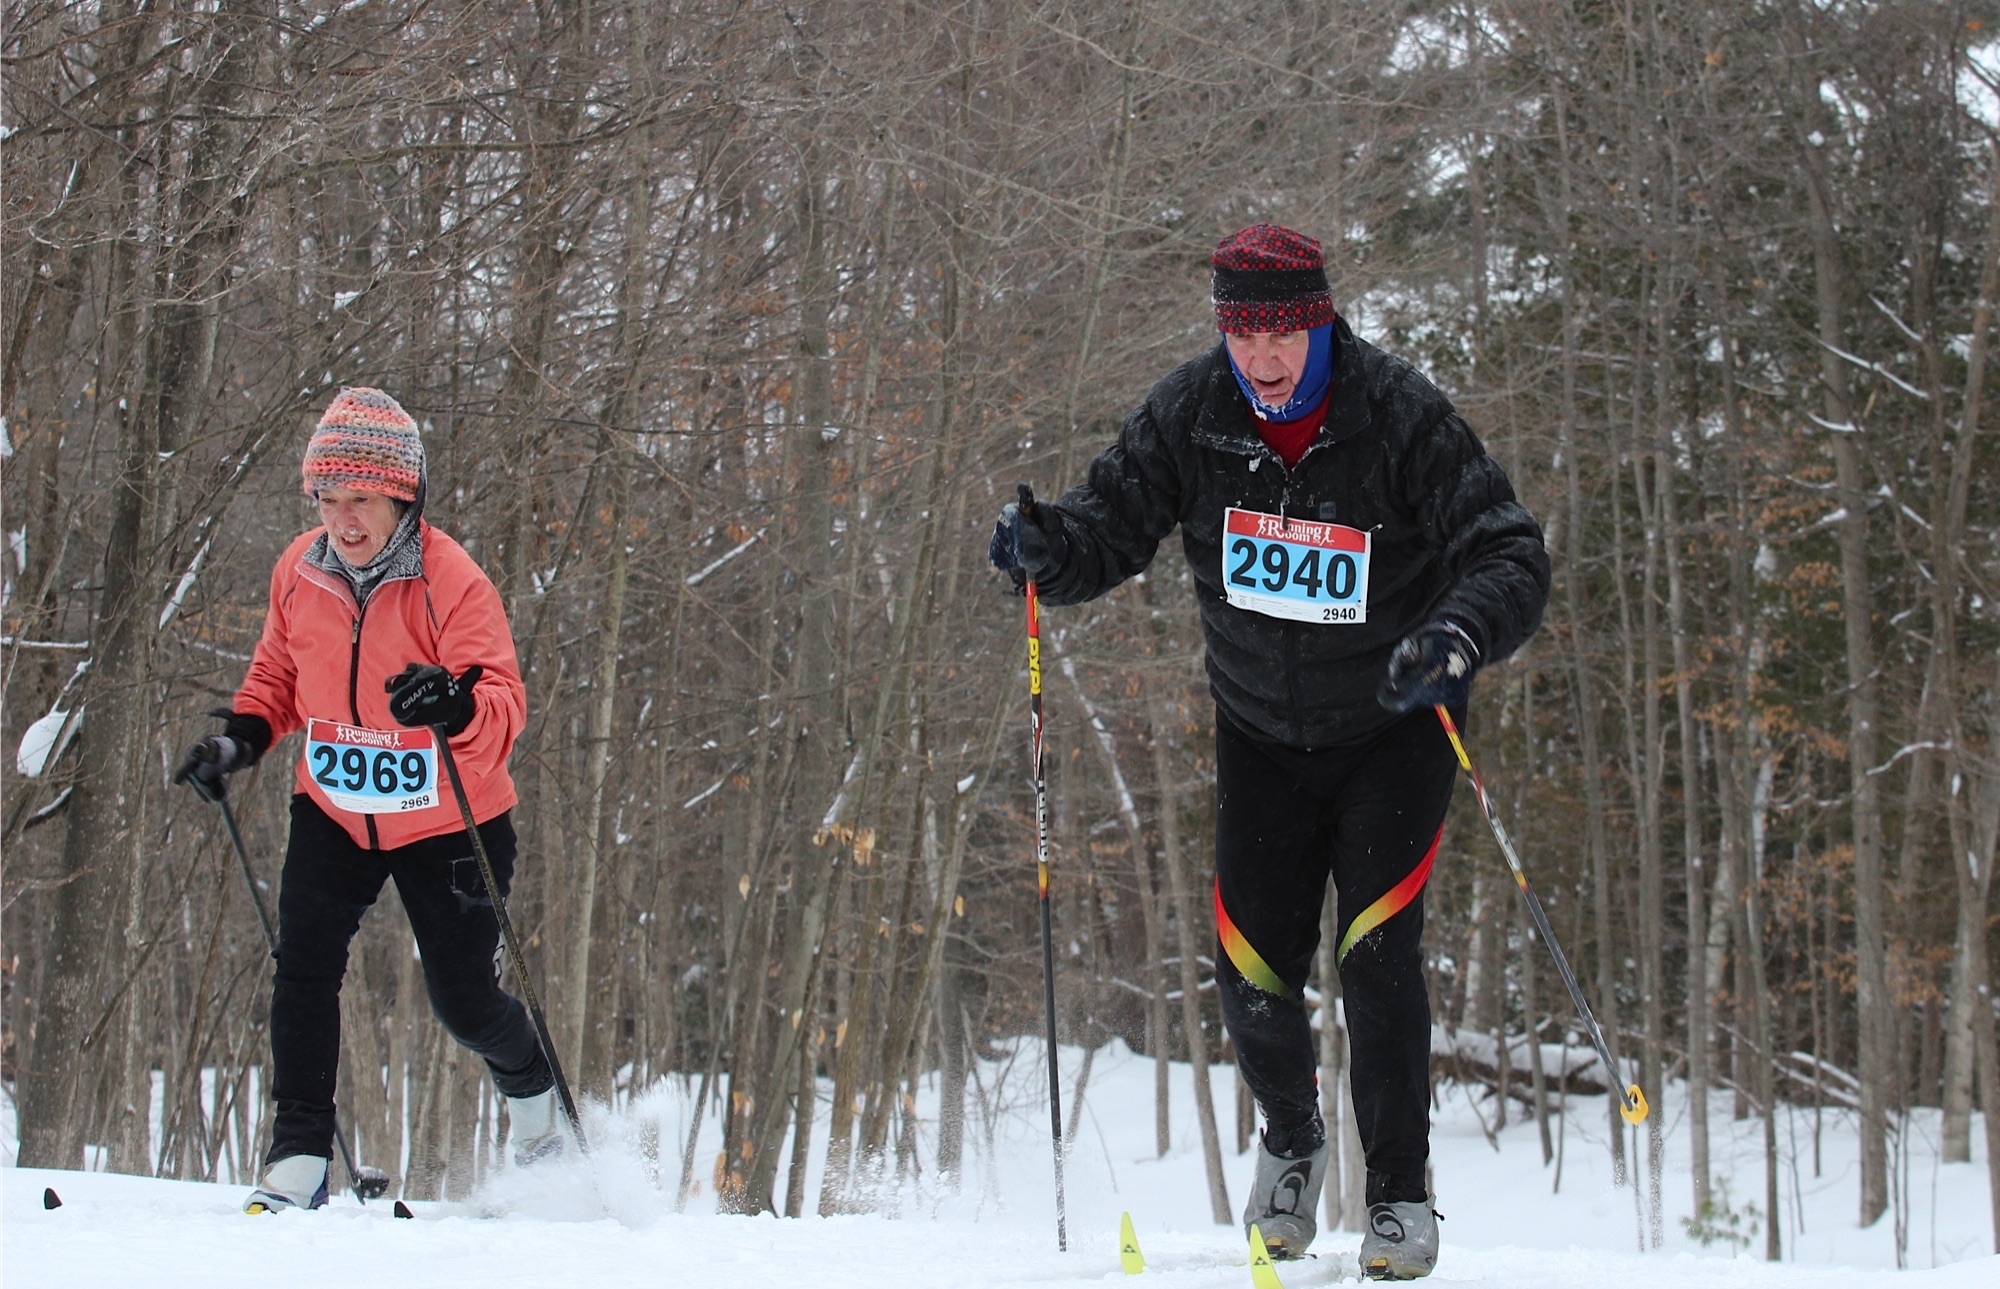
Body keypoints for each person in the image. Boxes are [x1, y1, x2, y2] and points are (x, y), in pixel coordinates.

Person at [989, 224, 1548, 1279]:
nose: (1263, 356)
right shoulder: (1193, 412)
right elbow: (1107, 529)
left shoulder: (1396, 413)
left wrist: (1457, 632)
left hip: (1394, 727)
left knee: (1374, 955)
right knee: (1250, 967)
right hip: (1260, 735)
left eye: (1283, 331)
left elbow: (1509, 549)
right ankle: (1290, 1144)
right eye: (1242, 333)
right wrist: (1047, 550)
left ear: (1320, 319)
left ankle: (1398, 1195)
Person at [174, 388, 564, 1213]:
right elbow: (279, 676)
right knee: (303, 969)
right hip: (336, 805)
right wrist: (238, 741)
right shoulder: (299, 569)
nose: (344, 520)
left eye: (362, 499)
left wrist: (454, 704)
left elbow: (504, 702)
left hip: (449, 815)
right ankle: (298, 1157)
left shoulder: (450, 579)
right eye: (328, 497)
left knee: (464, 1002)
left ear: (403, 496)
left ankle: (535, 1101)